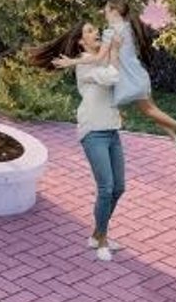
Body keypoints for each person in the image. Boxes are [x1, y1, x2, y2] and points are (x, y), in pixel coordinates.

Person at [37, 22, 128, 261]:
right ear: (80, 42)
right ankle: (102, 239)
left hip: (111, 131)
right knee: (106, 187)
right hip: (93, 132)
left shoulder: (99, 59)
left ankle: (97, 234)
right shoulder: (87, 65)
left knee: (119, 188)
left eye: (95, 30)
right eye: (89, 32)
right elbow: (113, 77)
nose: (95, 32)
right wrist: (114, 53)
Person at [69, 0, 176, 152]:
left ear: (114, 11)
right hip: (138, 73)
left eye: (106, 8)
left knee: (149, 110)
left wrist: (72, 62)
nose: (103, 11)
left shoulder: (110, 32)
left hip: (128, 78)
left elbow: (98, 57)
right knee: (152, 109)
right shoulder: (127, 27)